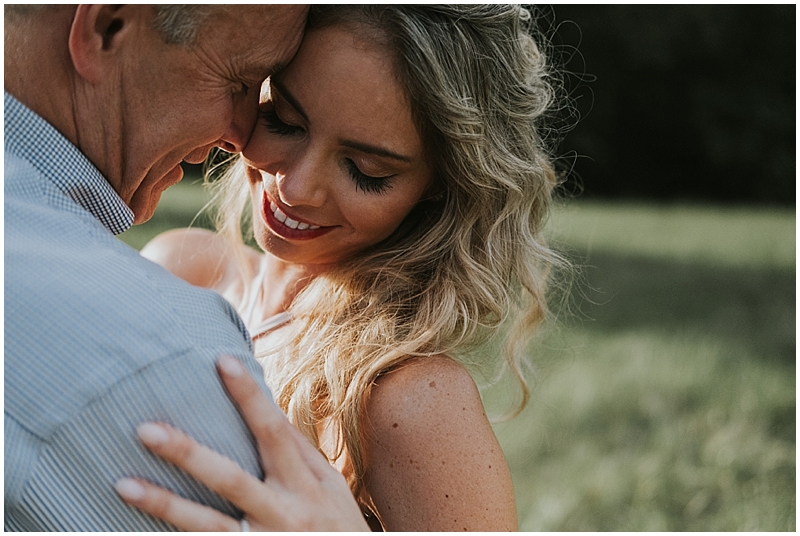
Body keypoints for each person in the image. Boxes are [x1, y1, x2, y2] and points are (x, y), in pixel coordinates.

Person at [125, 5, 564, 531]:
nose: (295, 189)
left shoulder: (407, 399)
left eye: (366, 171)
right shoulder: (179, 269)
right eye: (283, 121)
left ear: (441, 188)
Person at [4, 5, 368, 531]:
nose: (244, 137)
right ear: (107, 27)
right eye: (240, 81)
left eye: (367, 169)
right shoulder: (158, 358)